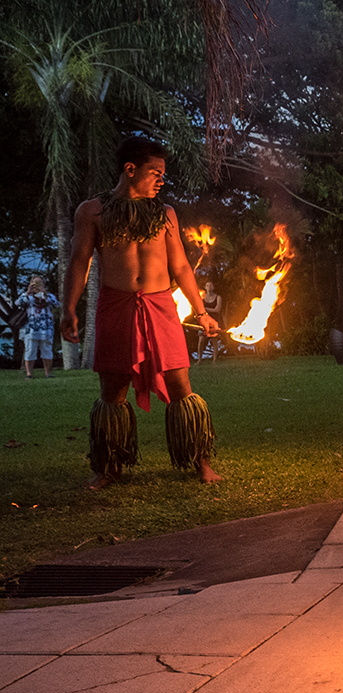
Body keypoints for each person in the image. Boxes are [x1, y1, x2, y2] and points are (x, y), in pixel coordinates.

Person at [62, 137, 222, 487]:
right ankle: (108, 467)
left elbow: (180, 266)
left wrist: (200, 311)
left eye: (163, 174)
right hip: (116, 305)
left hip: (160, 306)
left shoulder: (165, 214)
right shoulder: (92, 211)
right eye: (155, 173)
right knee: (113, 390)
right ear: (130, 170)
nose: (161, 180)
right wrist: (68, 309)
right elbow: (78, 262)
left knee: (181, 384)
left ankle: (201, 462)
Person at [21, 275, 58, 379]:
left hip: (46, 328)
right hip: (31, 328)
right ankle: (29, 373)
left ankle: (48, 373)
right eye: (34, 283)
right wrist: (28, 293)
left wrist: (45, 294)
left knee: (47, 350)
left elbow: (55, 304)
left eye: (39, 283)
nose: (37, 286)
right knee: (30, 351)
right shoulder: (27, 296)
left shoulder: (49, 296)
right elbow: (19, 303)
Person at [194, 279, 223, 363]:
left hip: (214, 322)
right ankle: (199, 360)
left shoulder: (218, 297)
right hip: (203, 322)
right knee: (201, 341)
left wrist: (205, 310)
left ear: (213, 287)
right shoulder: (202, 297)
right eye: (207, 285)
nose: (209, 287)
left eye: (210, 285)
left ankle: (214, 361)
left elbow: (217, 309)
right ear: (205, 288)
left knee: (214, 341)